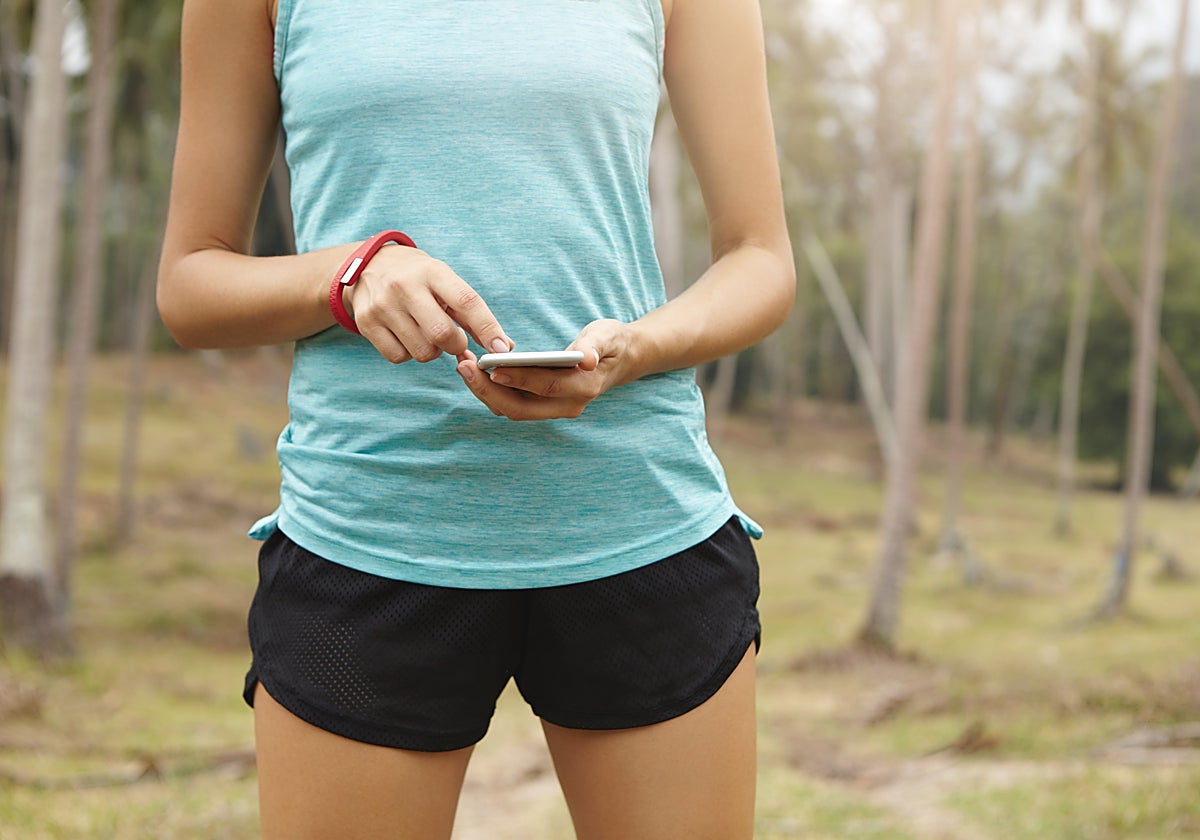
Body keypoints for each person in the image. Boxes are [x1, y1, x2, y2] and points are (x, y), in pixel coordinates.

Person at [158, 0, 794, 835]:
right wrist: (350, 275)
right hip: (369, 530)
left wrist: (637, 346)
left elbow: (761, 257)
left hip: (638, 518)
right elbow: (191, 284)